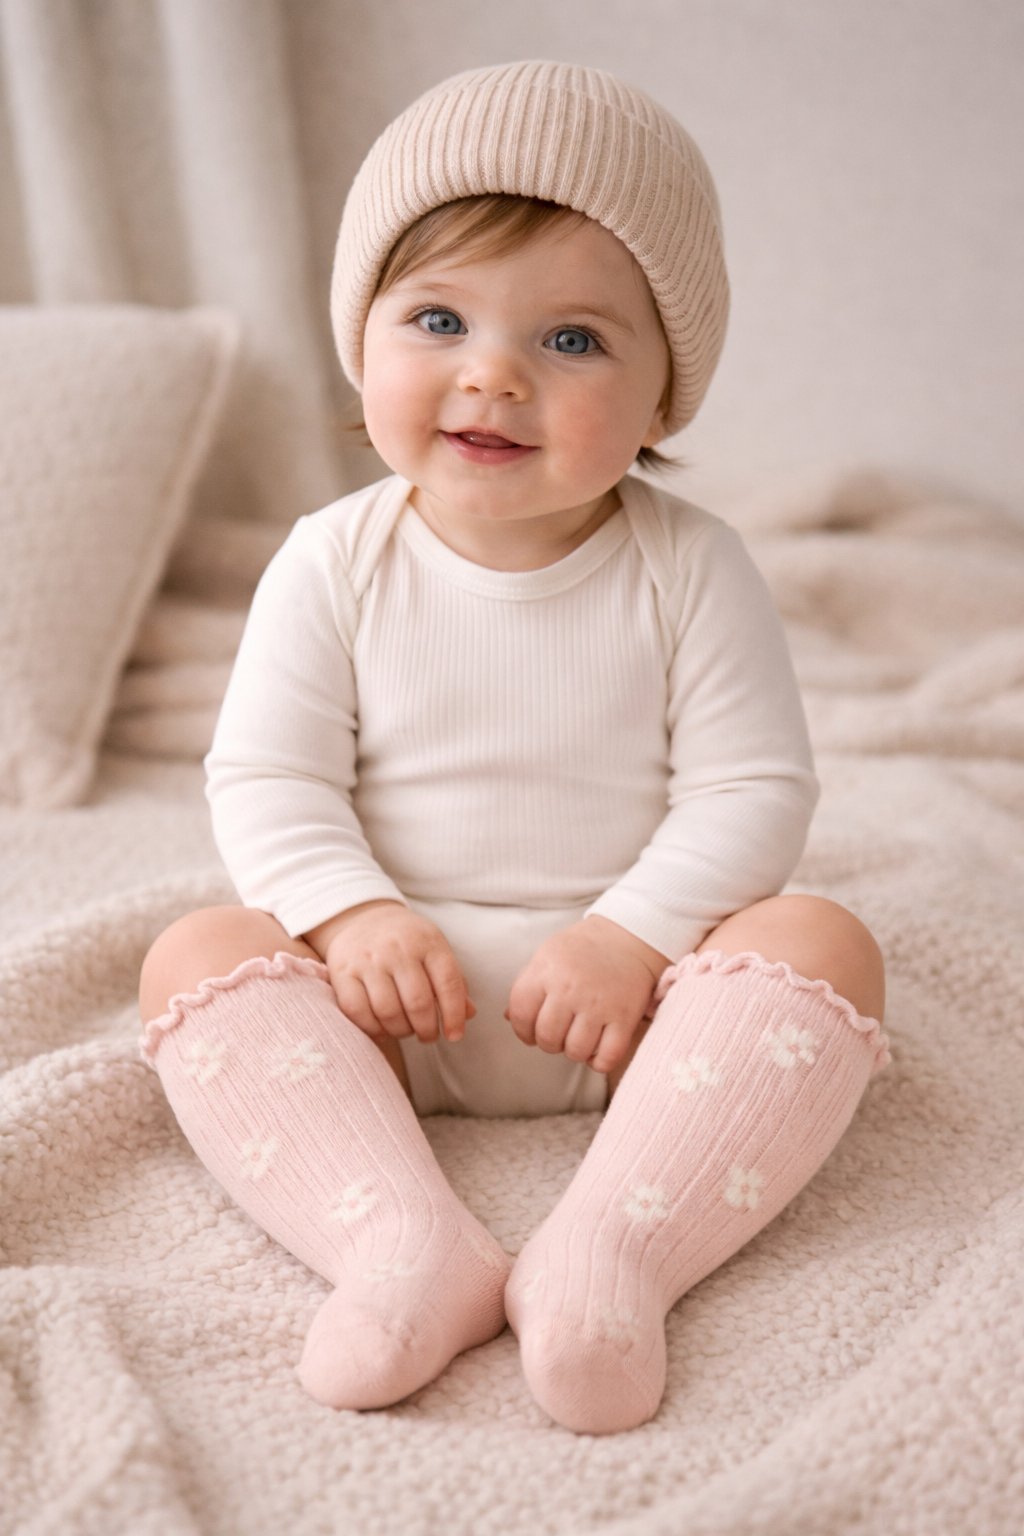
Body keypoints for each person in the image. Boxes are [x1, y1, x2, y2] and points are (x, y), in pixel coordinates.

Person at [138, 61, 888, 1435]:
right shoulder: (331, 562)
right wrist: (350, 915)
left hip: (636, 1017)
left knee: (823, 941)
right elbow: (269, 777)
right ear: (361, 343)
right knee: (199, 951)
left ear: (669, 399)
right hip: (383, 1010)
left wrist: (634, 937)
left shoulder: (693, 568)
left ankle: (616, 1250)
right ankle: (394, 1242)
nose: (492, 374)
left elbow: (752, 786)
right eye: (438, 318)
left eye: (574, 341)